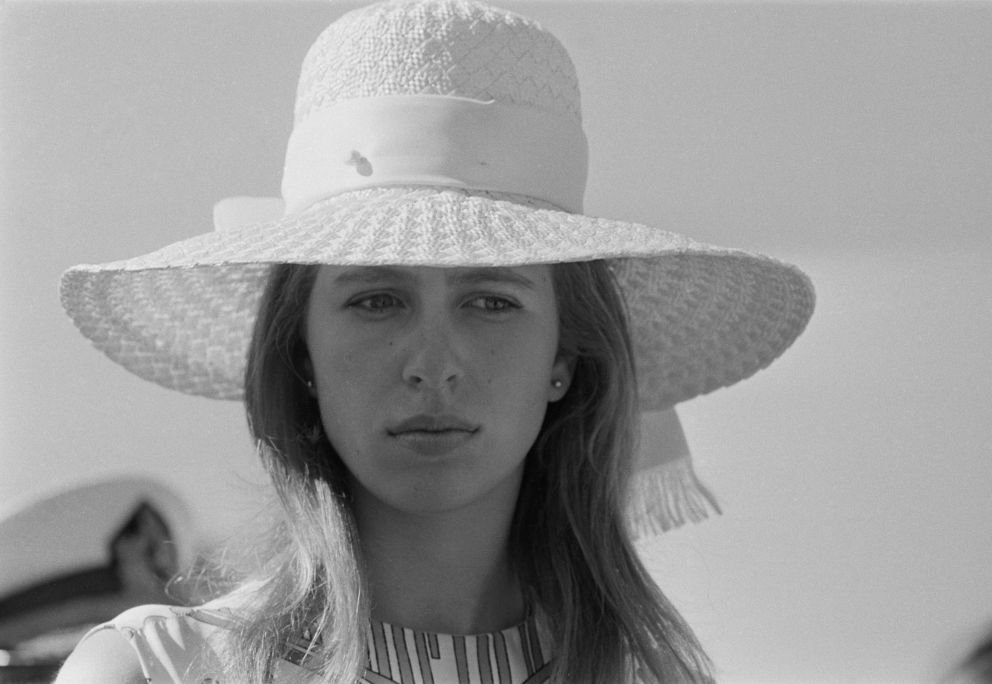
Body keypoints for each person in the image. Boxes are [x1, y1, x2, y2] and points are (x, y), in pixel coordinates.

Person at [54, 0, 815, 682]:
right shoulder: (157, 672)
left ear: (565, 357)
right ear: (300, 353)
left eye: (490, 301)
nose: (432, 365)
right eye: (376, 301)